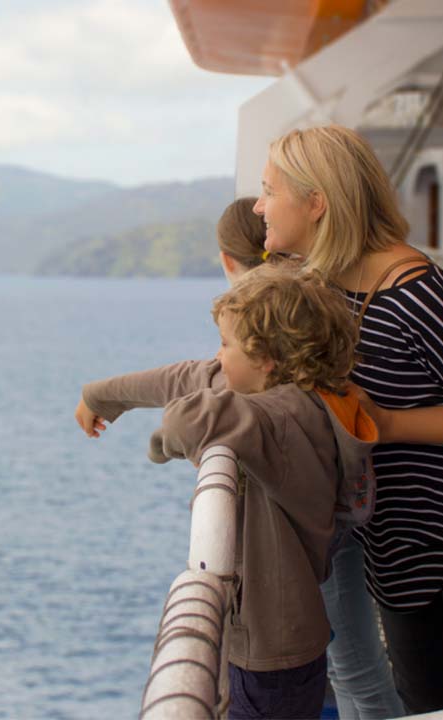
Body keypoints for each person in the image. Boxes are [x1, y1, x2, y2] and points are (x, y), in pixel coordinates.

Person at [254, 125, 443, 714]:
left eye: (269, 190)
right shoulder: (332, 287)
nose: (258, 204)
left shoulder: (414, 294)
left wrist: (389, 424)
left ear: (317, 201)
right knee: (424, 707)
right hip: (405, 544)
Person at [74, 262, 377, 720]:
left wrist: (160, 446)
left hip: (273, 651)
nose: (217, 356)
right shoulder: (288, 394)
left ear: (266, 359)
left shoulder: (281, 419)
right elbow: (189, 378)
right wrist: (102, 395)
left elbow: (186, 418)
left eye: (226, 343)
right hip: (280, 637)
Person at [217, 197, 404, 720]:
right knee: (353, 667)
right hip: (343, 506)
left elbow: (199, 387)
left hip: (320, 523)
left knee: (357, 669)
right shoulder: (309, 307)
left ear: (229, 261)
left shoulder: (264, 330)